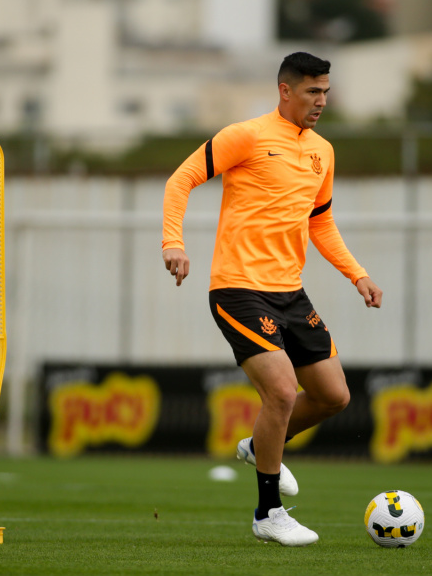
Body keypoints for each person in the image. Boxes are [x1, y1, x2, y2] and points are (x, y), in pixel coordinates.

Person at [161, 51, 383, 546]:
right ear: (285, 90)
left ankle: (258, 443)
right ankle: (268, 513)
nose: (321, 101)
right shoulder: (246, 135)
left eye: (325, 91)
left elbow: (319, 220)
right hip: (238, 288)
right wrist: (172, 243)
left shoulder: (322, 151)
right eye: (312, 91)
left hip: (290, 292)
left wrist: (356, 274)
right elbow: (182, 179)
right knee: (282, 393)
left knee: (334, 396)